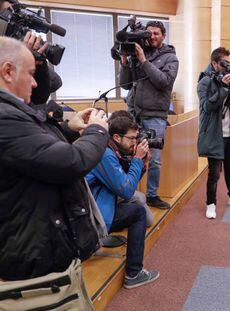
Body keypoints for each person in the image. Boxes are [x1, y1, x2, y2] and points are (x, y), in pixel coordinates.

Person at [0, 37, 109, 280]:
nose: (35, 81)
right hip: (32, 251)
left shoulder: (12, 111)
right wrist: (98, 130)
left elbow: (36, 146)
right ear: (8, 71)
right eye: (30, 73)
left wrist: (70, 128)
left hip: (36, 238)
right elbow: (71, 162)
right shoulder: (5, 117)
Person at [86, 114, 159, 289]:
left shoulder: (110, 149)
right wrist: (136, 160)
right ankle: (134, 273)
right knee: (138, 213)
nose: (136, 142)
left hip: (96, 205)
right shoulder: (105, 153)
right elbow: (126, 190)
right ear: (117, 137)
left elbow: (126, 182)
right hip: (90, 216)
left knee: (138, 204)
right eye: (132, 138)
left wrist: (141, 163)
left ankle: (103, 237)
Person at [120, 20, 179, 210]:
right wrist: (125, 63)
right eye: (149, 33)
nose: (152, 37)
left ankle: (152, 195)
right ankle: (127, 192)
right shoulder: (137, 55)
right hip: (134, 112)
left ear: (163, 36)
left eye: (156, 33)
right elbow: (125, 85)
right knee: (127, 155)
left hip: (154, 115)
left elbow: (163, 81)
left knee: (153, 159)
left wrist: (144, 60)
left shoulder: (171, 58)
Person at [197, 47, 230, 219]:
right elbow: (208, 107)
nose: (227, 65)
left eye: (228, 61)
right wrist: (222, 88)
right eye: (223, 63)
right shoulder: (205, 82)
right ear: (214, 63)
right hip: (214, 134)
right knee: (214, 173)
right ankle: (211, 203)